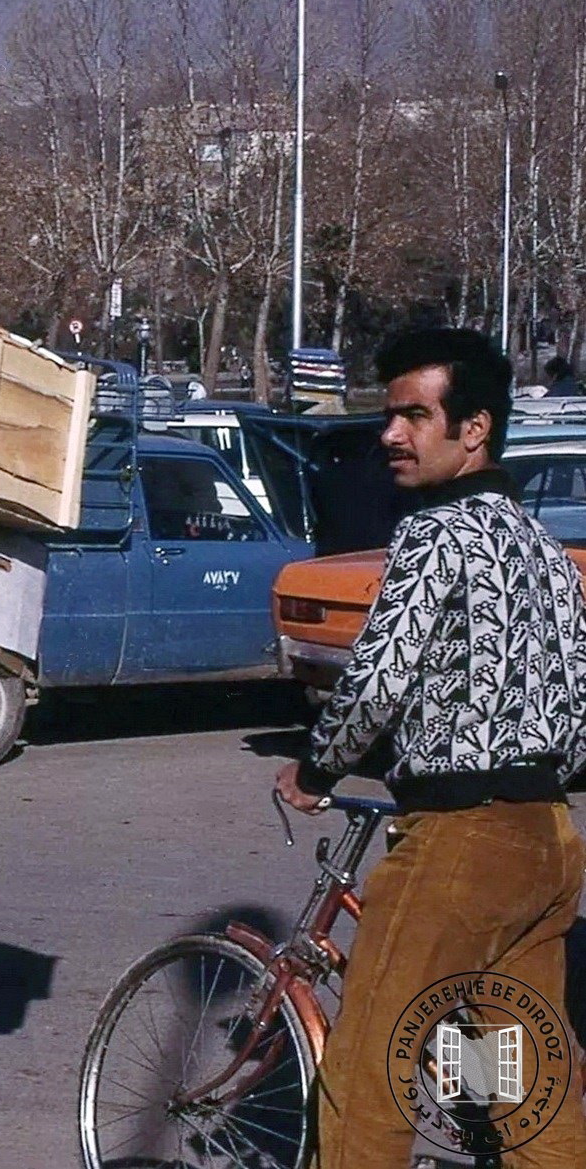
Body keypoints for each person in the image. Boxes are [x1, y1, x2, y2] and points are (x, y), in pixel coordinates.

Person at [274, 328, 586, 1167]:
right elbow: (576, 713)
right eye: (389, 416)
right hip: (545, 841)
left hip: (458, 844)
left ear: (472, 428)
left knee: (367, 1071)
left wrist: (314, 769)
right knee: (524, 1091)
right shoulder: (548, 554)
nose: (390, 434)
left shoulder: (433, 533)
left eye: (414, 415)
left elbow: (376, 678)